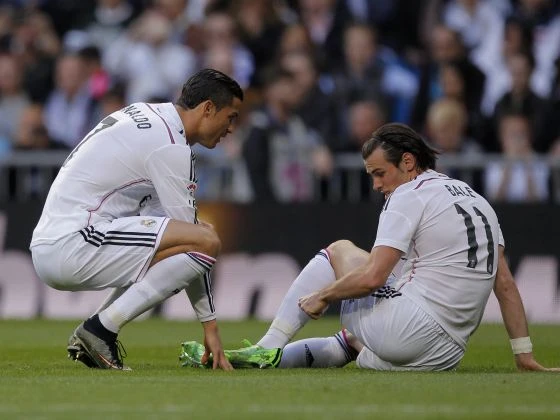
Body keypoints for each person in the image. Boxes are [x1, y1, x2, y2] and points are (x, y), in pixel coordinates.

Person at [181, 122, 559, 372]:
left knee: (339, 251)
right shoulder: (475, 198)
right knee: (355, 338)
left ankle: (266, 346)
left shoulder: (409, 195)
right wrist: (523, 353)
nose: (377, 185)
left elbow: (372, 277)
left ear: (407, 162)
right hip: (445, 355)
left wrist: (323, 295)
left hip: (410, 331)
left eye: (380, 173)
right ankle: (278, 358)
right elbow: (505, 285)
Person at [30, 68, 243, 371]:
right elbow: (198, 244)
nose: (231, 128)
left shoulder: (147, 115)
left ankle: (96, 329)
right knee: (206, 238)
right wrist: (210, 325)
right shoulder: (170, 144)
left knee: (190, 239)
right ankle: (99, 330)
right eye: (231, 117)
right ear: (208, 108)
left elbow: (174, 236)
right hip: (74, 241)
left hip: (55, 242)